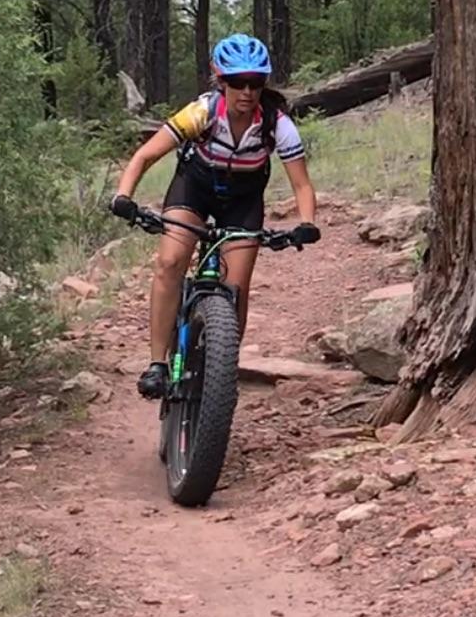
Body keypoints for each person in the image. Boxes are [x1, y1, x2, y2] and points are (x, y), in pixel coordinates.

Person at [108, 33, 320, 399]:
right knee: (170, 262)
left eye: (256, 83)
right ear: (220, 81)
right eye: (237, 82)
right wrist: (123, 196)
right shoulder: (202, 112)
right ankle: (157, 363)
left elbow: (301, 185)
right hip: (195, 190)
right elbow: (144, 156)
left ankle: (223, 369)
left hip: (243, 200)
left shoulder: (276, 123)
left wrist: (307, 223)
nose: (247, 91)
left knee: (236, 289)